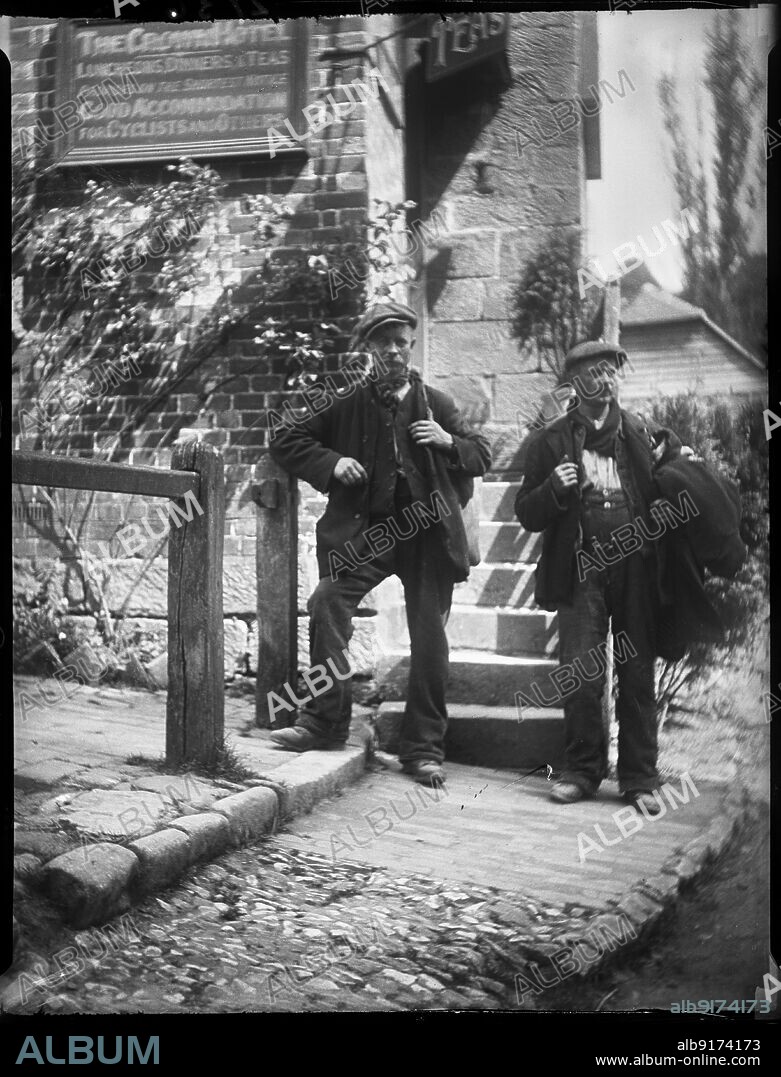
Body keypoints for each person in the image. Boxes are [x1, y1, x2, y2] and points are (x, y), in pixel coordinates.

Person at [268, 301, 492, 786]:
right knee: (327, 601)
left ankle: (423, 749)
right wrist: (330, 463)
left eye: (400, 342)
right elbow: (285, 438)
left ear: (411, 346)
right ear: (369, 348)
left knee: (430, 637)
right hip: (369, 533)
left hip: (427, 535)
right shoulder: (346, 403)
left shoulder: (439, 404)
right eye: (382, 342)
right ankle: (326, 723)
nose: (392, 351)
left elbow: (482, 455)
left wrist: (448, 442)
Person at [515, 340, 677, 814]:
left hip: (636, 569)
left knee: (637, 670)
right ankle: (583, 771)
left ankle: (640, 778)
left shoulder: (641, 432)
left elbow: (670, 483)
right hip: (580, 569)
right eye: (595, 372)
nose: (606, 380)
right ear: (575, 383)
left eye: (612, 371)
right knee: (581, 671)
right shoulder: (549, 442)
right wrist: (552, 488)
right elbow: (527, 512)